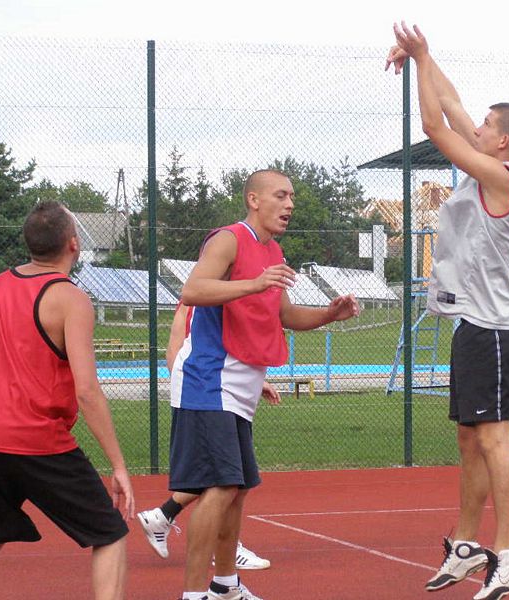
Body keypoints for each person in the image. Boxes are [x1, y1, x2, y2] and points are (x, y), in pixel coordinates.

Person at [387, 22, 509, 600]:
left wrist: (421, 55)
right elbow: (449, 103)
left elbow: (433, 124)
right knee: (470, 441)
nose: (475, 127)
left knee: (494, 440)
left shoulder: (502, 178)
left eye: (485, 125)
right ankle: (467, 545)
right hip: (475, 325)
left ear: (503, 142)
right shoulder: (487, 164)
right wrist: (423, 60)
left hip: (497, 330)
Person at [171, 169, 360, 600]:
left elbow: (285, 315)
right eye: (281, 195)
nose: (290, 204)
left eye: (292, 197)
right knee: (219, 488)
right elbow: (193, 290)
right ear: (254, 200)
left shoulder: (273, 251)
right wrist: (254, 283)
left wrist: (330, 314)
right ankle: (193, 595)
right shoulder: (228, 239)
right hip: (209, 380)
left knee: (235, 491)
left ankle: (225, 586)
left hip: (239, 386)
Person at [0, 201, 135, 599]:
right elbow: (87, 391)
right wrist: (119, 465)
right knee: (109, 532)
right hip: (32, 436)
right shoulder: (70, 298)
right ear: (73, 244)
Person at [138, 303, 273, 569]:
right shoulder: (195, 301)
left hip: (224, 394)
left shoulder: (229, 299)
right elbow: (174, 352)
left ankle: (163, 517)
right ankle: (218, 556)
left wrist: (255, 382)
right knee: (223, 480)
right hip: (203, 395)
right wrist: (189, 392)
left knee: (235, 480)